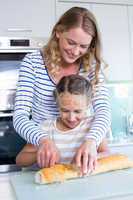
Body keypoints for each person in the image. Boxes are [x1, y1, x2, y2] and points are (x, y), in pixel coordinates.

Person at [13, 6, 111, 174]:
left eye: (83, 46)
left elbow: (104, 111)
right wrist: (43, 140)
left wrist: (91, 141)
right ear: (58, 32)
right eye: (71, 42)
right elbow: (20, 116)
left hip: (77, 160)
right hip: (44, 160)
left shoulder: (92, 67)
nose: (75, 51)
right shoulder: (32, 63)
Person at [16, 74, 110, 174]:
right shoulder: (46, 128)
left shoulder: (93, 126)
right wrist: (40, 154)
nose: (71, 118)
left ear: (88, 105)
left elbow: (107, 153)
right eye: (65, 110)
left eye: (77, 111)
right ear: (57, 104)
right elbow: (20, 160)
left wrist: (91, 157)